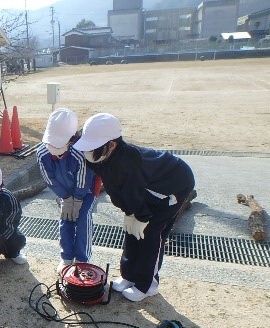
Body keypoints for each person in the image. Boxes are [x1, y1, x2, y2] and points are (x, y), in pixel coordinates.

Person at [74, 113, 195, 302]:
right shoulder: (101, 157)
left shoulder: (128, 162)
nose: (87, 151)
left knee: (152, 234)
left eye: (92, 147)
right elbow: (117, 191)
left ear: (112, 144)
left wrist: (141, 215)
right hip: (146, 190)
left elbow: (134, 191)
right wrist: (129, 212)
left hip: (172, 186)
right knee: (131, 233)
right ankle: (129, 276)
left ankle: (147, 285)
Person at [37, 108, 96, 274]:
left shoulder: (79, 152)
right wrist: (66, 198)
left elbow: (84, 178)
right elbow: (49, 179)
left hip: (85, 193)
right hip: (64, 193)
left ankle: (82, 260)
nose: (55, 147)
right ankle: (66, 257)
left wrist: (77, 199)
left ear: (71, 139)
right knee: (66, 221)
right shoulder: (42, 152)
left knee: (83, 220)